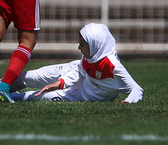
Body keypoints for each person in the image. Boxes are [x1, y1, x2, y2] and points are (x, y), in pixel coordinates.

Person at [8, 23, 144, 104]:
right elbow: (80, 70)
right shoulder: (90, 57)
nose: (79, 48)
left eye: (82, 45)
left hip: (76, 95)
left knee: (33, 97)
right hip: (70, 70)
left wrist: (128, 102)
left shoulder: (113, 66)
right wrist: (59, 83)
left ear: (96, 45)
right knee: (29, 77)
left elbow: (136, 89)